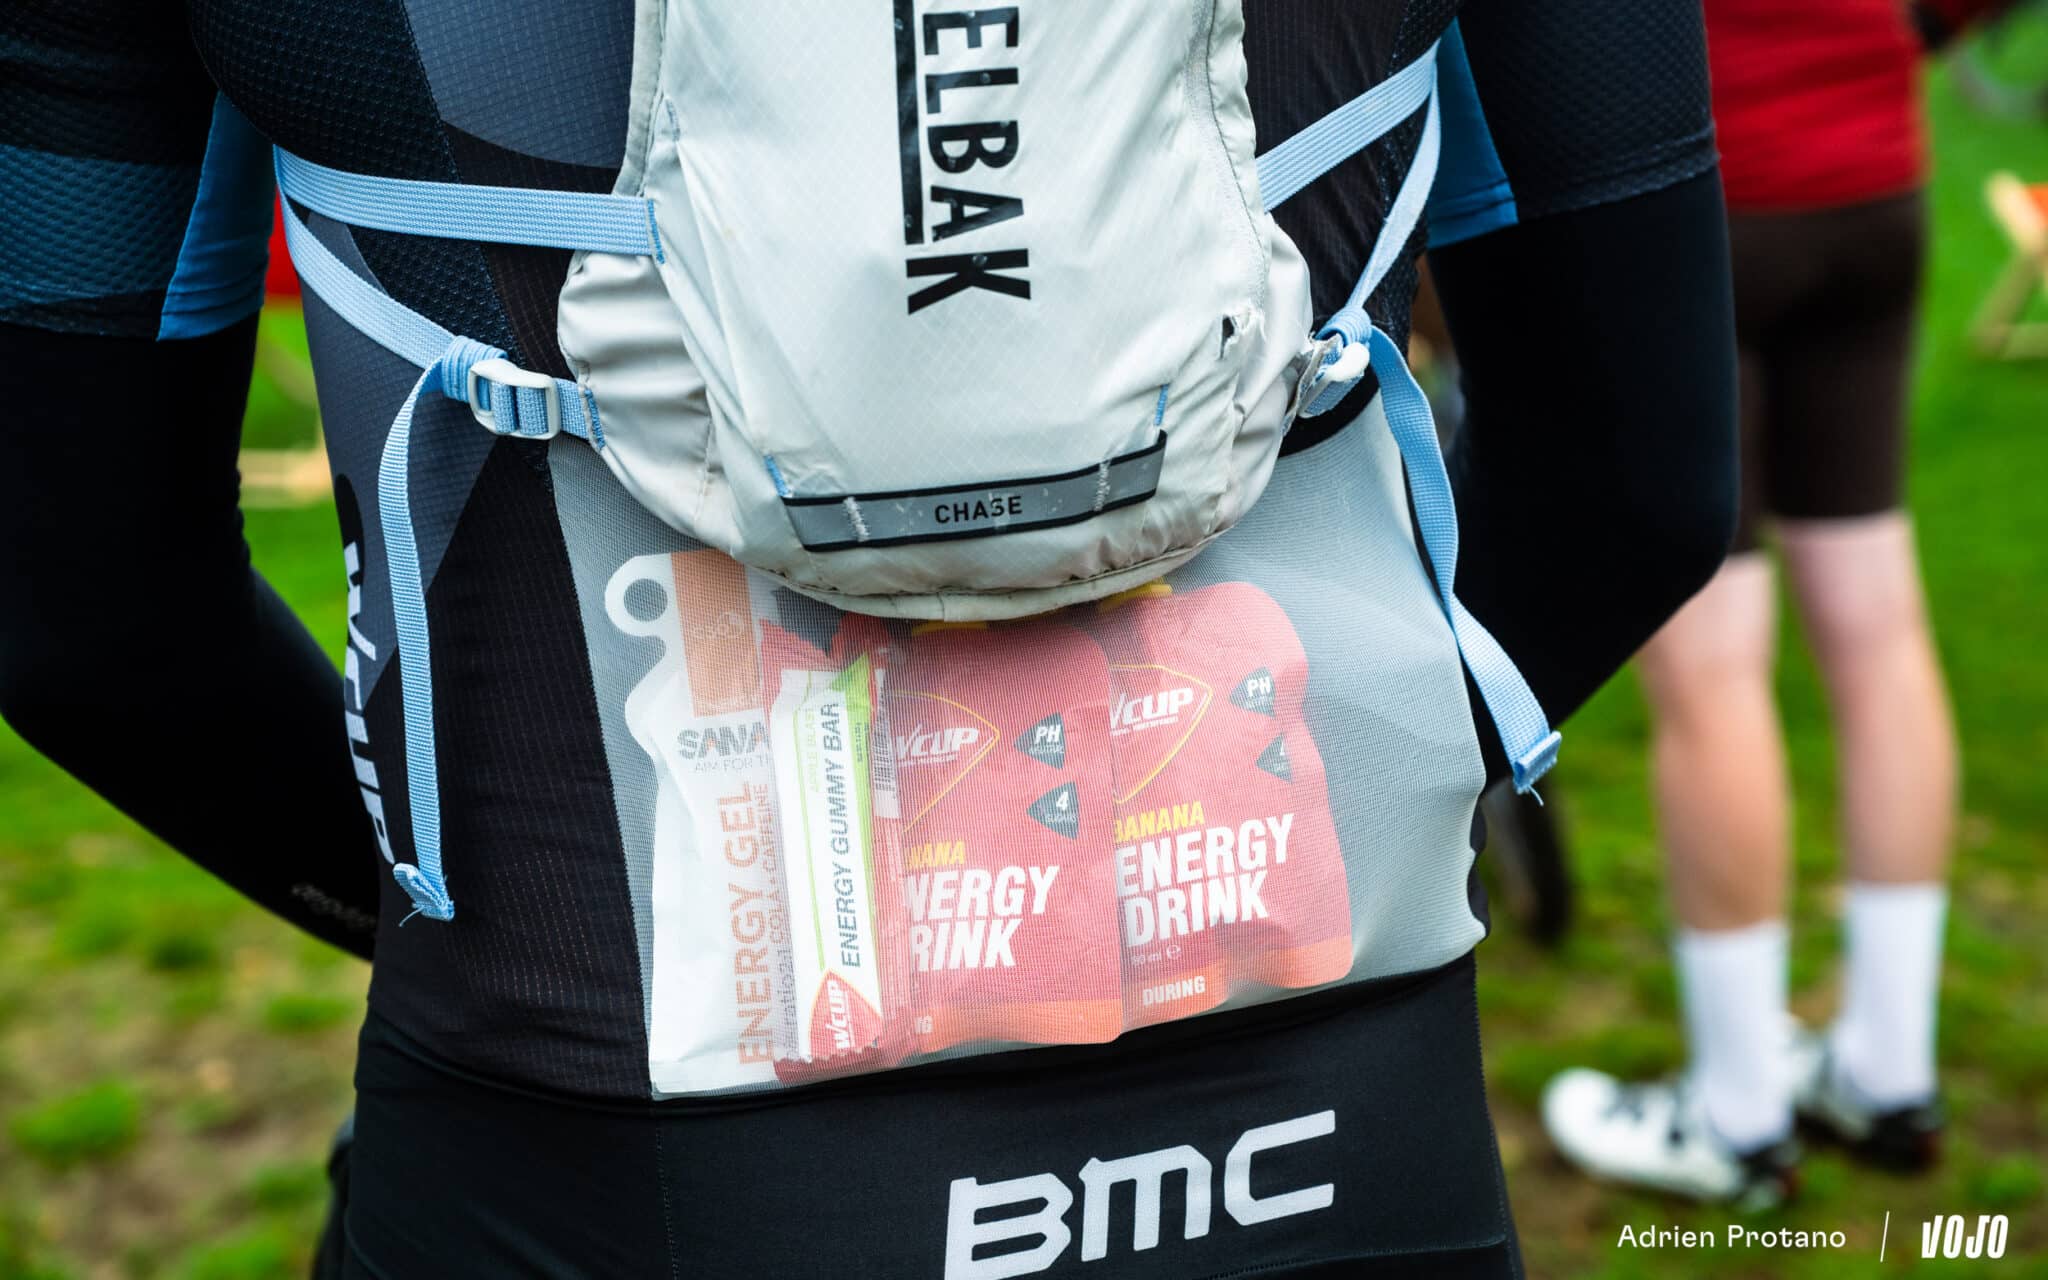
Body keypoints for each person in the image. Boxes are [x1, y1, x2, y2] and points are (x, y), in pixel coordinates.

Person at [0, 1, 1737, 1274]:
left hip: (583, 1141)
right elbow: (1639, 484)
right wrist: (1346, 791)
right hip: (1335, 1121)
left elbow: (87, 615)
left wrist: (460, 918)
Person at [1541, 0, 1998, 1209]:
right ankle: (1887, 1072)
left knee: (1709, 668)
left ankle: (1736, 1115)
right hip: (1869, 183)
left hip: (1709, 198)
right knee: (1878, 629)